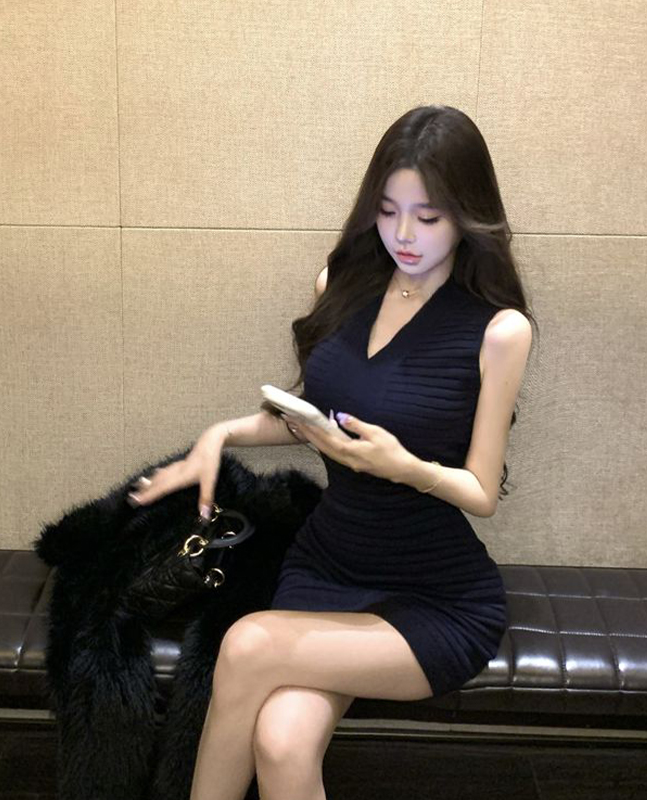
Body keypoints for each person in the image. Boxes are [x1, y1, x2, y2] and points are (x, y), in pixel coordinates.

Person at [127, 105, 536, 800]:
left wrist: (404, 469)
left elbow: (481, 492)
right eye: (388, 211)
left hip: (433, 595)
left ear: (468, 216)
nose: (403, 235)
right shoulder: (340, 287)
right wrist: (221, 435)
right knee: (281, 743)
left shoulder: (499, 331)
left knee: (247, 644)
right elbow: (314, 425)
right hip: (326, 567)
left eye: (428, 217)